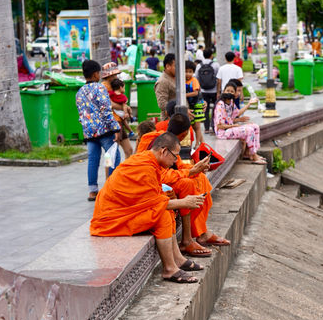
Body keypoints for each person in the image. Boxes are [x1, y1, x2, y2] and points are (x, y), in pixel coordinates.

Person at [91, 132, 207, 283]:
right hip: (110, 219)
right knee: (162, 215)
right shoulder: (144, 166)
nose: (175, 160)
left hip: (124, 210)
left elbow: (157, 194)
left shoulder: (150, 161)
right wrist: (184, 202)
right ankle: (169, 269)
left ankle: (177, 259)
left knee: (167, 209)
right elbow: (156, 203)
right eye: (174, 156)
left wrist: (190, 175)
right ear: (164, 151)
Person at [136, 114, 231, 255]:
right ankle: (186, 240)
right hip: (151, 185)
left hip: (165, 180)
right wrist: (190, 171)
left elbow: (178, 166)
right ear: (185, 133)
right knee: (187, 184)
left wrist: (196, 168)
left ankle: (202, 232)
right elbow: (160, 176)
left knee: (201, 179)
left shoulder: (169, 142)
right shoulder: (156, 143)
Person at [76, 60, 122, 202]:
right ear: (96, 74)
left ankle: (93, 191)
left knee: (93, 160)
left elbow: (81, 114)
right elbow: (106, 110)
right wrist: (115, 127)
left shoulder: (79, 92)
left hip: (89, 133)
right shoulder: (100, 88)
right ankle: (111, 188)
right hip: (105, 131)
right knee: (114, 157)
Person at [213, 82, 264, 164]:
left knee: (255, 126)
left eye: (232, 91)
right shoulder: (220, 105)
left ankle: (250, 153)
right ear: (224, 91)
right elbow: (220, 126)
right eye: (227, 90)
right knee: (249, 130)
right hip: (223, 132)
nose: (229, 93)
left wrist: (249, 104)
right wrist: (234, 125)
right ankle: (253, 156)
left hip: (230, 128)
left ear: (235, 94)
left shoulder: (231, 103)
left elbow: (237, 113)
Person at [108, 78, 134, 158]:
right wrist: (126, 111)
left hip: (120, 122)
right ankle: (110, 170)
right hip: (116, 123)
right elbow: (114, 105)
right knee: (112, 153)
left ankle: (125, 169)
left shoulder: (110, 91)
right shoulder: (106, 89)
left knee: (129, 150)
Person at [196, 48, 219, 132]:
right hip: (214, 90)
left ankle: (206, 128)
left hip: (204, 91)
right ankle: (214, 127)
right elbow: (218, 77)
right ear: (211, 55)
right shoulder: (215, 65)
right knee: (216, 109)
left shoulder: (199, 65)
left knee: (205, 109)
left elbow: (196, 78)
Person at [185, 60, 205, 145]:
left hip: (197, 105)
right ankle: (202, 143)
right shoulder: (183, 81)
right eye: (186, 71)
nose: (188, 74)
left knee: (197, 126)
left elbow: (195, 92)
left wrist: (184, 95)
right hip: (191, 105)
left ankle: (197, 144)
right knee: (193, 126)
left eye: (190, 72)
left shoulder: (194, 80)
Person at [155, 53, 177, 118]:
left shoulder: (178, 77)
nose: (179, 68)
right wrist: (181, 110)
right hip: (171, 120)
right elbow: (162, 104)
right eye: (176, 66)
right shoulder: (162, 81)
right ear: (167, 66)